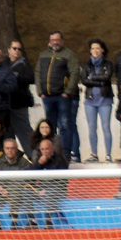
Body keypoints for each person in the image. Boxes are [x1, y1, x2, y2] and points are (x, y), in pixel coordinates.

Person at [37, 31, 80, 162]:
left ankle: (66, 153)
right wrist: (40, 91)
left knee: (66, 125)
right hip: (47, 97)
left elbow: (74, 73)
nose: (55, 42)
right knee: (50, 127)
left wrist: (67, 91)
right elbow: (37, 73)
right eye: (52, 40)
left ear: (62, 40)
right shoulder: (43, 55)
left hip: (62, 96)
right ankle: (51, 152)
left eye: (57, 40)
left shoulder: (69, 54)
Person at [0, 137, 35, 229]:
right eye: (7, 148)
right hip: (1, 193)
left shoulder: (23, 162)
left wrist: (8, 189)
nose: (10, 150)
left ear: (16, 149)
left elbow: (26, 179)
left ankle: (14, 222)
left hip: (17, 191)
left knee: (15, 191)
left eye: (12, 148)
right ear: (4, 149)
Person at [80, 39, 115, 163]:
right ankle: (94, 154)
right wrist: (98, 80)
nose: (95, 50)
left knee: (106, 127)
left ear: (102, 50)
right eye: (93, 48)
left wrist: (92, 78)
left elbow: (106, 78)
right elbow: (84, 80)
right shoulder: (87, 64)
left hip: (105, 99)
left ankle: (108, 154)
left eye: (97, 48)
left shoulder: (108, 63)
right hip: (90, 100)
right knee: (91, 128)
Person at [30, 137, 70, 227]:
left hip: (58, 190)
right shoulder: (39, 160)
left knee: (50, 193)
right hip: (41, 189)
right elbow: (32, 178)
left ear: (52, 149)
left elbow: (63, 181)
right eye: (42, 149)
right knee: (26, 193)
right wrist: (39, 164)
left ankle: (48, 221)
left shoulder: (60, 160)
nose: (45, 151)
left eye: (47, 149)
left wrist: (47, 189)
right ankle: (33, 221)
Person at [6, 41, 35, 150]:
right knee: (7, 134)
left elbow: (31, 78)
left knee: (25, 132)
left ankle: (33, 156)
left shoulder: (24, 63)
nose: (17, 51)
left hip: (20, 103)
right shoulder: (4, 62)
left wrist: (16, 76)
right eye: (14, 48)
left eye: (19, 49)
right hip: (5, 104)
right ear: (9, 50)